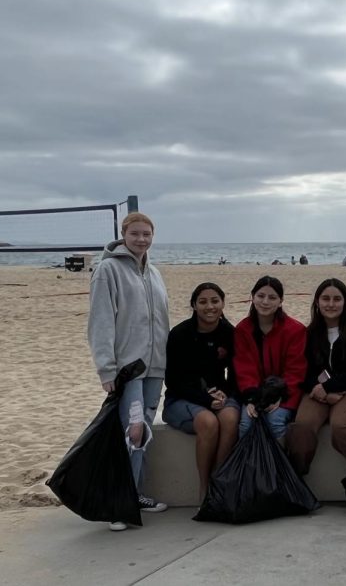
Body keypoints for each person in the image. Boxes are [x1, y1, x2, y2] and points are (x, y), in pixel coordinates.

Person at [87, 212, 170, 531]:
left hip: (155, 367)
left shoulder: (155, 274)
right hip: (128, 368)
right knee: (132, 430)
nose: (141, 239)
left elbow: (162, 319)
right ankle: (118, 502)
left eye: (147, 234)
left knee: (143, 433)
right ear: (123, 234)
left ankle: (134, 494)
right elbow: (101, 322)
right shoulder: (108, 270)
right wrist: (107, 369)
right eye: (135, 233)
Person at [162, 282, 241, 501]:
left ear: (223, 304)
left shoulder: (229, 332)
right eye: (203, 302)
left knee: (231, 418)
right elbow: (173, 381)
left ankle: (219, 479)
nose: (210, 307)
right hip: (181, 398)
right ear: (194, 305)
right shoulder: (180, 334)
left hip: (218, 395)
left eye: (215, 301)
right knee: (208, 422)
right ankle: (205, 490)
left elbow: (235, 374)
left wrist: (224, 393)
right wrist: (206, 400)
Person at [285, 279, 346, 475]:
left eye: (336, 299)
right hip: (317, 390)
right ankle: (297, 479)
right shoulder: (310, 332)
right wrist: (320, 390)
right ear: (317, 302)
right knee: (302, 427)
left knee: (341, 427)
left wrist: (331, 387)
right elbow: (302, 369)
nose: (330, 304)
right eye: (325, 299)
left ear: (345, 302)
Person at [233, 276, 307, 440]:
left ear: (280, 301)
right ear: (252, 297)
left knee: (275, 421)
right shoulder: (243, 329)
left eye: (272, 297)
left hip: (286, 393)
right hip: (255, 393)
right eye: (260, 296)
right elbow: (245, 369)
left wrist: (277, 396)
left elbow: (295, 370)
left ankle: (280, 465)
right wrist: (253, 398)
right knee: (246, 422)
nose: (265, 302)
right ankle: (247, 465)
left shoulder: (295, 330)